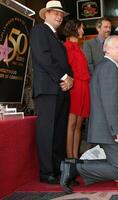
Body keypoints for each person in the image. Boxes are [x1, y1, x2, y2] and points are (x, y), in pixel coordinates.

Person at [60, 35, 118, 193]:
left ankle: (73, 166)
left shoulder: (109, 67)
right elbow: (110, 103)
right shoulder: (109, 68)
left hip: (110, 129)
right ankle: (73, 168)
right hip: (113, 131)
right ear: (106, 49)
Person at [30, 0, 73, 184]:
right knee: (48, 132)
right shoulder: (40, 30)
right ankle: (47, 172)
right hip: (48, 90)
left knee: (59, 132)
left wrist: (69, 80)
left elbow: (65, 64)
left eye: (61, 14)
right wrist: (64, 77)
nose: (59, 16)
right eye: (55, 12)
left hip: (60, 90)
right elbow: (43, 57)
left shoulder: (57, 37)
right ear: (46, 14)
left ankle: (58, 169)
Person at [63, 20, 90, 160]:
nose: (83, 31)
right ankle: (70, 158)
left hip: (84, 86)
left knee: (79, 124)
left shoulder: (79, 48)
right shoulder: (66, 47)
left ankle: (75, 157)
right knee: (72, 123)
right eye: (81, 28)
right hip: (74, 87)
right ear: (75, 29)